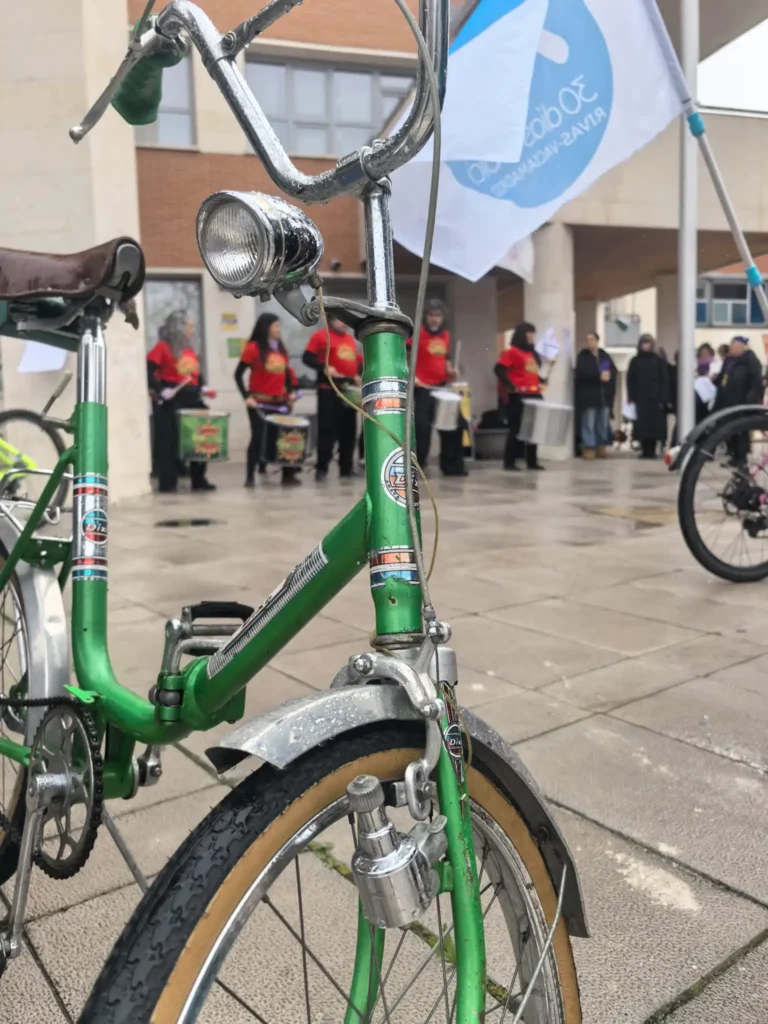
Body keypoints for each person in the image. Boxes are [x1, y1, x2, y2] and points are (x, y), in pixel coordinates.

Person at [147, 311, 216, 493]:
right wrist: (161, 390)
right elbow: (148, 369)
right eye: (189, 326)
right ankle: (167, 482)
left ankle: (198, 479)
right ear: (179, 327)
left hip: (191, 397)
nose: (192, 330)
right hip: (172, 399)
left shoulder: (189, 350)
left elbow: (196, 374)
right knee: (168, 443)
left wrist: (203, 387)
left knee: (200, 439)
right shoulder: (163, 347)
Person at [235, 313, 301, 488]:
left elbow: (286, 374)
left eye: (279, 326)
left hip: (280, 402)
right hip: (259, 402)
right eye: (276, 326)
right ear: (267, 327)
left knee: (284, 437)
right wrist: (246, 397)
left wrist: (292, 392)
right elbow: (238, 374)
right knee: (257, 438)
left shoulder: (281, 348)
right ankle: (250, 477)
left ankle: (288, 475)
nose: (279, 329)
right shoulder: (253, 348)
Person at [408, 299, 466, 476]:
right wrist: (412, 375)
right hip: (423, 388)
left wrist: (451, 371)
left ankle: (452, 467)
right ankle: (418, 467)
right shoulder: (417, 334)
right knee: (422, 428)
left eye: (438, 315)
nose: (434, 319)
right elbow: (403, 356)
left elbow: (445, 359)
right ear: (426, 317)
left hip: (442, 389)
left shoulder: (445, 336)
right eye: (431, 315)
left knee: (457, 425)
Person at [303, 315, 362, 481]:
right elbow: (307, 357)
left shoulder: (349, 339)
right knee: (327, 431)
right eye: (339, 319)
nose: (343, 322)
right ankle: (321, 469)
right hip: (329, 390)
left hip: (348, 391)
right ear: (331, 321)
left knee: (349, 432)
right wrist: (324, 367)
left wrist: (357, 374)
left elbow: (352, 361)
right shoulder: (321, 336)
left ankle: (346, 468)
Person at [494, 322, 545, 471]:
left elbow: (530, 372)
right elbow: (499, 369)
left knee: (533, 430)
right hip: (519, 395)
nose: (531, 336)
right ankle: (509, 461)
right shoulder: (512, 352)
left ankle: (532, 461)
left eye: (533, 333)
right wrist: (510, 385)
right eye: (529, 333)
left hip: (534, 393)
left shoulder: (532, 353)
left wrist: (541, 379)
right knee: (516, 429)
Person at [713, 334, 763, 466]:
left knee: (741, 431)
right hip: (727, 401)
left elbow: (756, 383)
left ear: (741, 347)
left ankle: (742, 458)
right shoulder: (729, 361)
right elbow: (723, 378)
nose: (731, 349)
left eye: (734, 346)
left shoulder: (750, 361)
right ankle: (733, 455)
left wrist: (751, 399)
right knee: (730, 430)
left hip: (741, 401)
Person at [574, 331, 616, 459]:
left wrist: (608, 374)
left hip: (603, 396)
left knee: (602, 422)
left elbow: (608, 370)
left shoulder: (603, 356)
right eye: (587, 340)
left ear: (597, 341)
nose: (589, 342)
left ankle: (600, 446)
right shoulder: (583, 356)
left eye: (592, 339)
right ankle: (589, 447)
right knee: (589, 422)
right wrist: (598, 376)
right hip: (588, 395)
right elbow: (583, 372)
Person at [626, 334, 668, 459]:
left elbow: (664, 380)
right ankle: (645, 450)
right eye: (644, 343)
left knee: (654, 426)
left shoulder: (658, 361)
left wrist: (663, 398)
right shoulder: (635, 361)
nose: (646, 345)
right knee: (642, 426)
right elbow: (630, 380)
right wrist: (631, 396)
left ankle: (652, 450)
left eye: (648, 343)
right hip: (641, 399)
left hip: (655, 399)